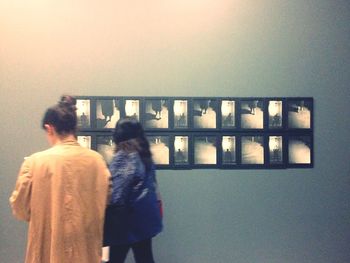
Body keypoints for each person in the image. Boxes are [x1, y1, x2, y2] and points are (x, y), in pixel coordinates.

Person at [9, 95, 111, 263]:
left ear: (49, 129)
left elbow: (20, 208)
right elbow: (105, 200)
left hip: (47, 253)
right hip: (86, 253)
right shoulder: (97, 161)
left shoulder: (35, 162)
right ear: (73, 128)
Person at [103, 117, 163, 263]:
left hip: (126, 222)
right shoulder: (143, 155)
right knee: (144, 257)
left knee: (116, 259)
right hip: (144, 220)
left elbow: (117, 194)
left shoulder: (124, 156)